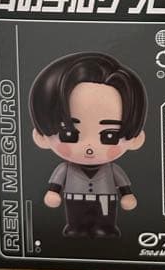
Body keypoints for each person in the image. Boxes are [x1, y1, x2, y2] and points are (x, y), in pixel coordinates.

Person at [30, 51, 147, 239]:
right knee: (75, 221)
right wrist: (53, 193)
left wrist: (127, 195)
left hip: (105, 201)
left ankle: (106, 228)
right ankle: (75, 227)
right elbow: (55, 185)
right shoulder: (65, 169)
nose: (90, 146)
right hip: (75, 201)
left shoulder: (112, 170)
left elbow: (123, 186)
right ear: (41, 136)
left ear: (135, 139)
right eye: (70, 134)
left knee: (106, 220)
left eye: (109, 135)